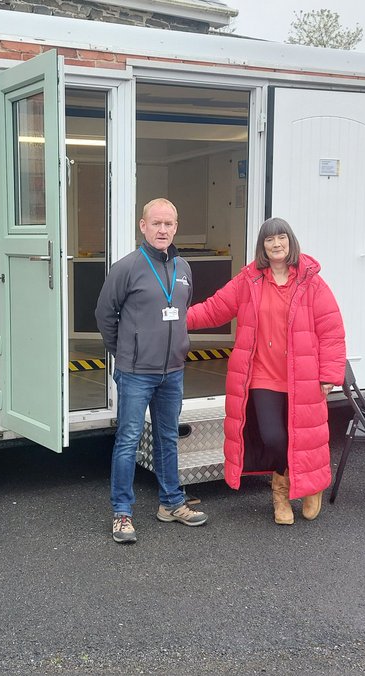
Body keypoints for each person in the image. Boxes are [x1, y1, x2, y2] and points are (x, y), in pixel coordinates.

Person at [187, 217, 346, 524]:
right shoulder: (249, 280)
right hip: (263, 375)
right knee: (274, 436)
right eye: (269, 240)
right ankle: (281, 490)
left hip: (303, 377)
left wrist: (330, 374)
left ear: (291, 241)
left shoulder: (310, 281)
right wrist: (177, 319)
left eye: (281, 238)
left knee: (303, 437)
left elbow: (331, 330)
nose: (276, 244)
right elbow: (215, 308)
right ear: (262, 246)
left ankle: (310, 488)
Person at [95, 198, 209, 544]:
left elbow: (182, 310)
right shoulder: (126, 267)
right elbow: (104, 315)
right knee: (128, 441)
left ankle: (171, 503)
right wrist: (125, 352)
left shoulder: (184, 268)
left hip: (173, 371)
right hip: (135, 373)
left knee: (167, 438)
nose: (163, 230)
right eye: (156, 223)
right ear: (142, 226)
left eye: (169, 224)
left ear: (176, 227)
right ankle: (122, 512)